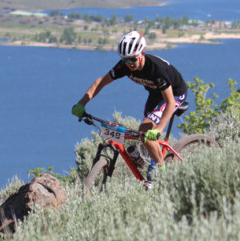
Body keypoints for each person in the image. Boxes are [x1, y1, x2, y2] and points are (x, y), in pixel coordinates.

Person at [71, 30, 187, 173]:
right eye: (125, 60)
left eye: (132, 59)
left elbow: (170, 102)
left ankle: (162, 174)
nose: (129, 63)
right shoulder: (124, 66)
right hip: (155, 94)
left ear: (142, 54)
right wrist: (82, 103)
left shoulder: (157, 70)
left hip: (174, 94)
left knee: (146, 131)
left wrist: (159, 130)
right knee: (143, 134)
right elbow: (100, 82)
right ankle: (148, 160)